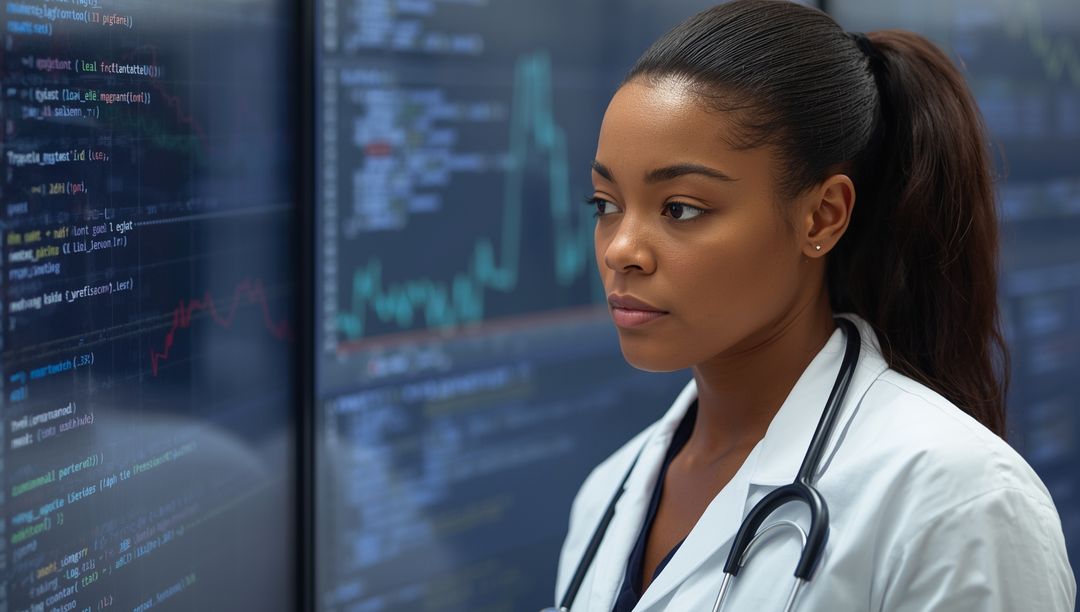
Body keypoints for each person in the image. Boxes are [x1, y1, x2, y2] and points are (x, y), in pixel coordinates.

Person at [552, 1, 1077, 610]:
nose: (621, 250)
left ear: (822, 215)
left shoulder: (959, 501)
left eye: (681, 209)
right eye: (605, 204)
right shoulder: (608, 495)